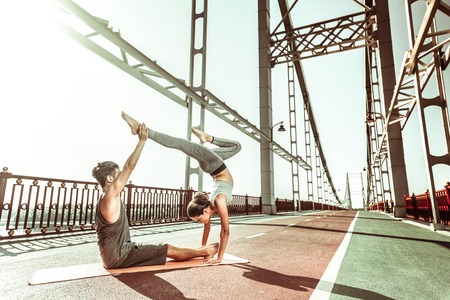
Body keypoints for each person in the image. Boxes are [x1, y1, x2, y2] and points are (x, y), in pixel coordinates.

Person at [92, 116, 218, 269]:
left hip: (118, 254)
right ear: (110, 178)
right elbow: (128, 167)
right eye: (119, 176)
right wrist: (142, 140)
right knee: (166, 249)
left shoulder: (105, 199)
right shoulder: (110, 196)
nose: (122, 180)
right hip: (120, 256)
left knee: (162, 249)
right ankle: (206, 250)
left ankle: (201, 250)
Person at [122, 112, 241, 265]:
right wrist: (207, 252)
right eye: (199, 220)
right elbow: (222, 230)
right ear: (206, 211)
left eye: (199, 219)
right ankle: (205, 138)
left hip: (214, 163)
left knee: (184, 144)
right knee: (235, 146)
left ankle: (142, 129)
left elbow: (224, 231)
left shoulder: (216, 202)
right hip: (214, 164)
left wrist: (217, 257)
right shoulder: (216, 203)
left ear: (204, 211)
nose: (201, 222)